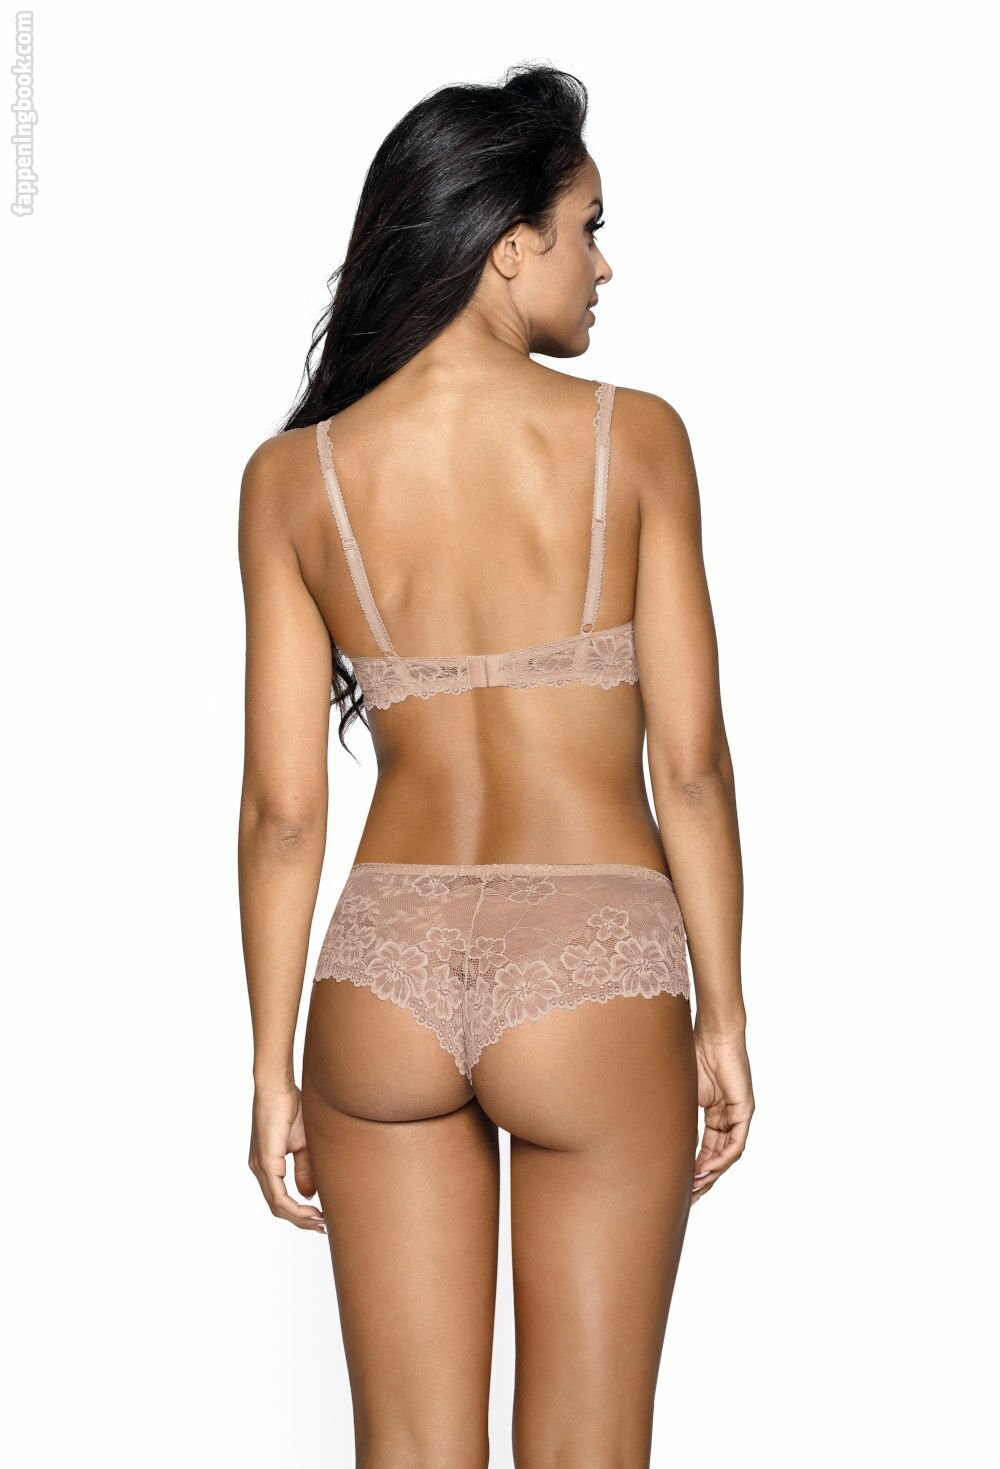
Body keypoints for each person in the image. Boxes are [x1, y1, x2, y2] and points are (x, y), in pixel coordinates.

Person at [238, 61, 753, 1469]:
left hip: (381, 975)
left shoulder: (294, 480)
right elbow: (692, 769)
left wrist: (273, 1066)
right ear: (507, 245)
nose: (604, 266)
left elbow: (284, 813)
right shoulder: (634, 441)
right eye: (588, 229)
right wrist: (722, 1013)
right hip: (595, 962)